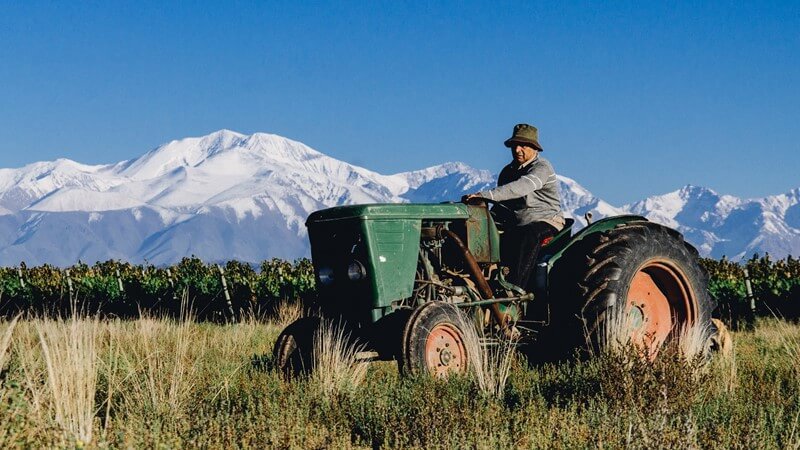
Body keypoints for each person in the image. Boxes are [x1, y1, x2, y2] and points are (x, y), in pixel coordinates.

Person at [465, 123, 565, 291]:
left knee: (528, 235)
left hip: (545, 220)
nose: (517, 149)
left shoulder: (542, 168)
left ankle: (514, 290)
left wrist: (485, 195)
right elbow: (503, 205)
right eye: (514, 145)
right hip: (516, 222)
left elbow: (521, 187)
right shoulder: (507, 172)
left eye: (523, 145)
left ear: (535, 148)